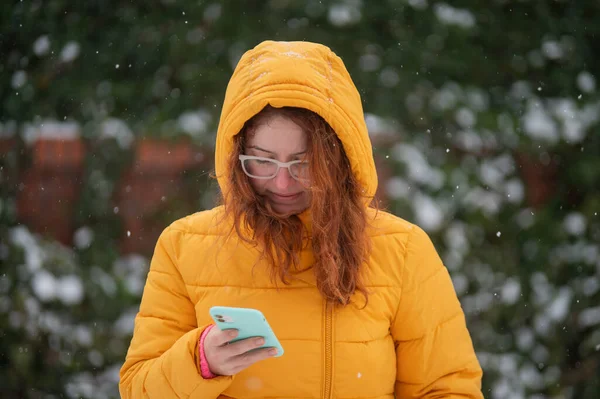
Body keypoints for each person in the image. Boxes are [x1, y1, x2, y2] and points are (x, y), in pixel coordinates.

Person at [119, 40, 483, 399]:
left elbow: (448, 388)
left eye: (304, 162)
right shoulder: (184, 245)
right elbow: (137, 389)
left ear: (338, 159)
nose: (281, 182)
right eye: (262, 160)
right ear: (236, 158)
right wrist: (200, 361)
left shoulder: (403, 250)